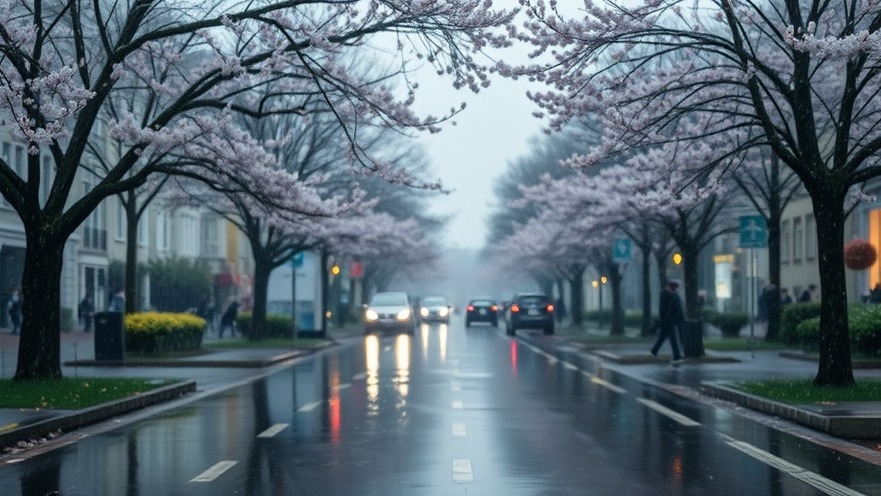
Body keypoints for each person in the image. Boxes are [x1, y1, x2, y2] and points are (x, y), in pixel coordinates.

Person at [650, 281, 684, 363]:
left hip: (671, 320)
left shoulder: (673, 294)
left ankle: (654, 351)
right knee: (672, 338)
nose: (675, 288)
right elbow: (664, 309)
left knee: (663, 337)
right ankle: (677, 355)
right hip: (668, 320)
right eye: (675, 287)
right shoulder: (666, 294)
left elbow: (678, 307)